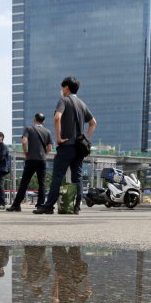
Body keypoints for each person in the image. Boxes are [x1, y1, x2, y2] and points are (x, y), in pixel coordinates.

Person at [34, 77, 97, 215]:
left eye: (62, 87)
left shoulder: (64, 100)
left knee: (58, 175)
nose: (62, 90)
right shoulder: (82, 103)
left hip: (66, 145)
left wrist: (58, 137)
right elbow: (93, 122)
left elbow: (57, 117)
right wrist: (85, 139)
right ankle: (76, 207)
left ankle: (49, 206)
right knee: (77, 177)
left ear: (67, 87)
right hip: (80, 148)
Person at [7, 113, 53, 212]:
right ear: (43, 121)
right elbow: (50, 148)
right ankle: (40, 205)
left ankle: (16, 205)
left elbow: (24, 142)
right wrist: (44, 153)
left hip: (31, 159)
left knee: (24, 182)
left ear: (34, 119)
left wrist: (25, 152)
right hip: (42, 160)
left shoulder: (29, 129)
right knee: (42, 183)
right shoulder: (47, 131)